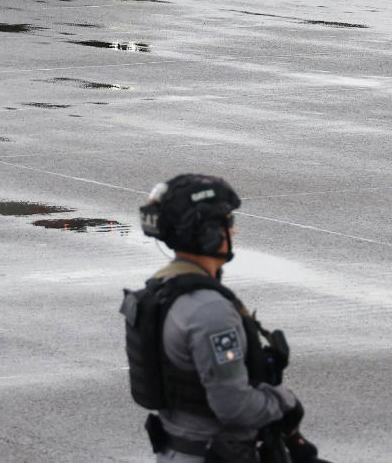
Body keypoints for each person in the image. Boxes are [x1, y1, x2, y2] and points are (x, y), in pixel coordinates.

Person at [122, 173, 329, 463]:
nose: (233, 231)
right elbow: (234, 405)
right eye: (227, 223)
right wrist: (284, 402)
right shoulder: (209, 312)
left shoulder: (162, 292)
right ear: (207, 233)